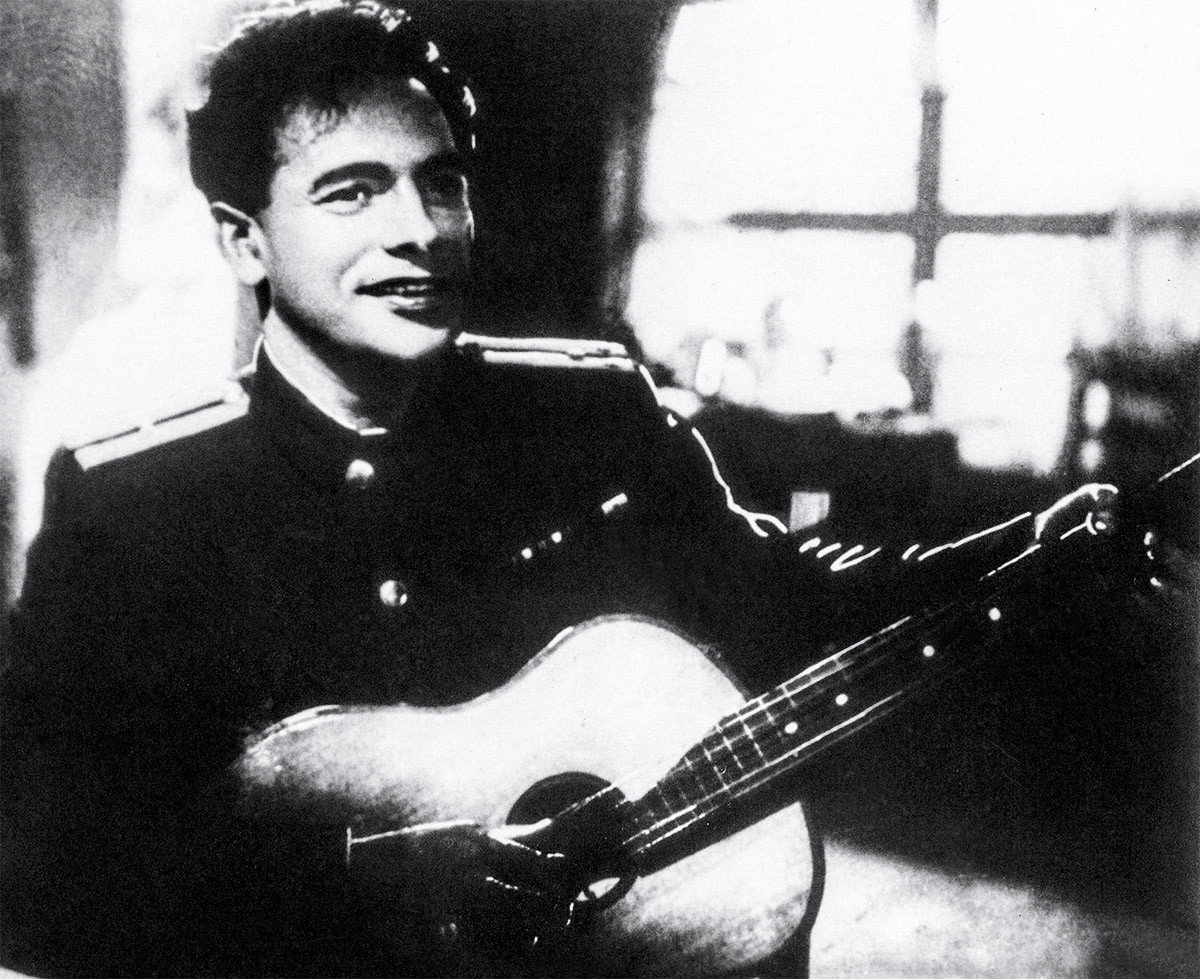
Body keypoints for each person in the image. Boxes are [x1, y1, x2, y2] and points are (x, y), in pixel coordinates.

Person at [1, 2, 1126, 976]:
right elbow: (46, 876)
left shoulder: (589, 412)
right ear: (244, 242)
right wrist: (356, 878)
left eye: (442, 183)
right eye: (352, 192)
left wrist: (1035, 544)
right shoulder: (132, 508)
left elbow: (782, 597)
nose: (419, 231)